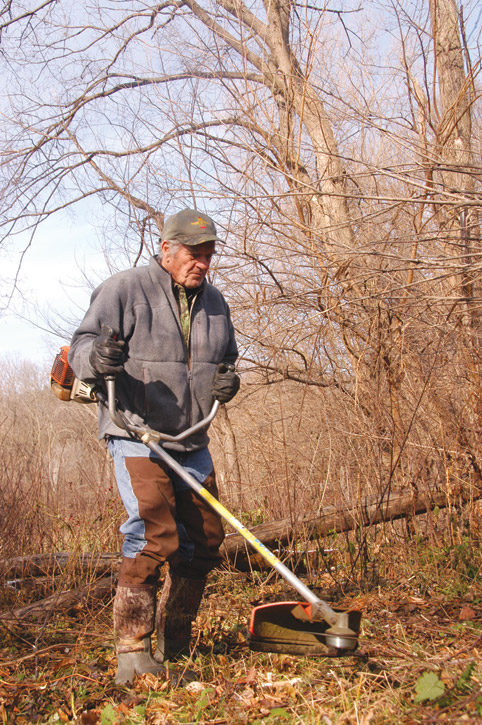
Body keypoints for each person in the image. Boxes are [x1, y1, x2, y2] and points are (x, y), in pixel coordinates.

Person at [68, 208, 240, 684]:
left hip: (191, 437)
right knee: (152, 532)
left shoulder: (217, 303)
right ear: (166, 250)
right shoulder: (125, 289)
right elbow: (80, 347)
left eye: (208, 254)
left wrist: (229, 383)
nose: (202, 263)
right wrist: (96, 358)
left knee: (205, 538)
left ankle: (175, 640)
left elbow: (228, 360)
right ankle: (133, 654)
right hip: (135, 431)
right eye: (193, 253)